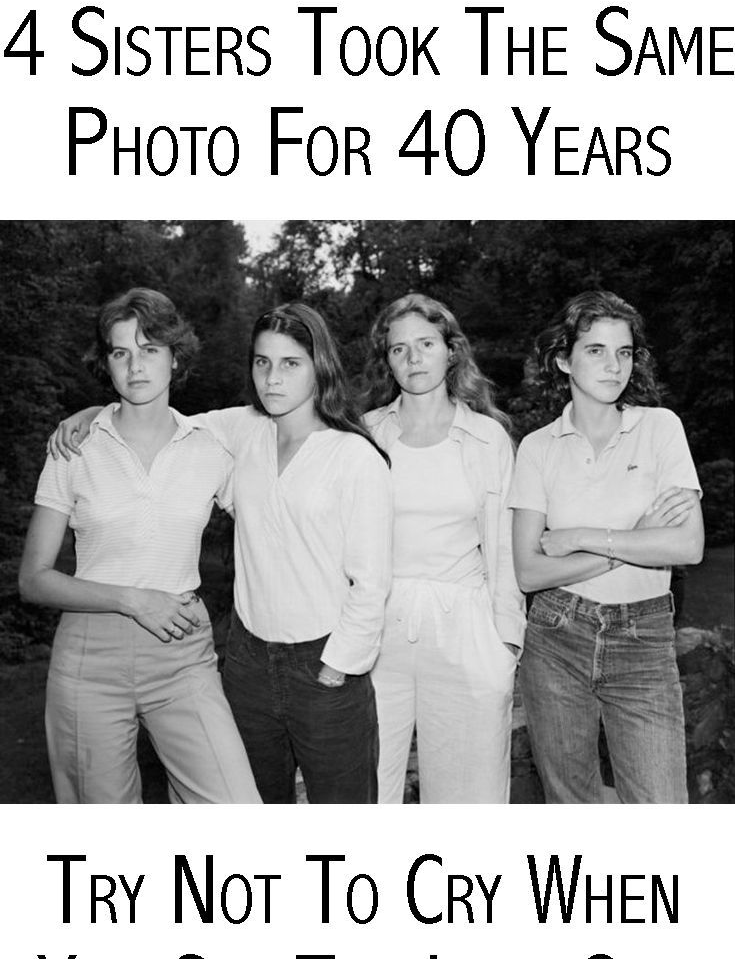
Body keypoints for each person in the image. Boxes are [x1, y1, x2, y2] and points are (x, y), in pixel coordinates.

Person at [48, 302, 393, 804]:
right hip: (248, 664)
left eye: (290, 363)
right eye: (261, 362)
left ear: (319, 366)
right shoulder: (243, 431)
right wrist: (92, 414)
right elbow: (158, 418)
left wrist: (337, 666)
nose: (272, 378)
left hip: (325, 661)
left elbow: (373, 581)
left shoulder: (354, 456)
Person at [20, 288, 261, 804]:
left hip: (182, 651)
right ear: (105, 362)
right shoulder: (75, 447)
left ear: (176, 357)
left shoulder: (210, 446)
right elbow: (34, 578)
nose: (135, 366)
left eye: (149, 349)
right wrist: (131, 598)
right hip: (90, 656)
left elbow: (278, 521)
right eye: (120, 351)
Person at [509, 290, 704, 804]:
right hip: (555, 637)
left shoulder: (660, 428)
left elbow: (687, 544)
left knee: (660, 805)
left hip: (644, 636)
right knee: (572, 805)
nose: (614, 365)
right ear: (563, 360)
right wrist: (635, 538)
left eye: (624, 352)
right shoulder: (537, 448)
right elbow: (528, 572)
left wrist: (580, 539)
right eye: (595, 350)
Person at [363, 293, 525, 803]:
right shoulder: (365, 435)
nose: (413, 359)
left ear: (450, 350)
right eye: (399, 349)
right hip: (379, 631)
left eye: (426, 344)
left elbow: (503, 543)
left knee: (468, 798)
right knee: (367, 790)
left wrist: (505, 645)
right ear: (386, 359)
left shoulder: (485, 438)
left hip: (464, 628)